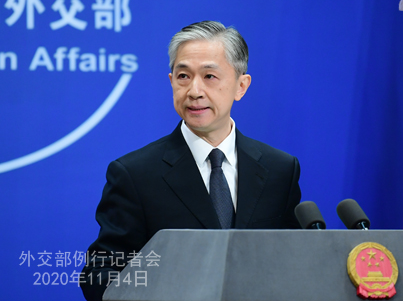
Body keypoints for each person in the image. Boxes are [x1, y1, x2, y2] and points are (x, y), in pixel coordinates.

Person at [81, 21, 302, 301]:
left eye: (209, 76)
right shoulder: (135, 174)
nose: (194, 91)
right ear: (171, 81)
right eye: (183, 76)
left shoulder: (279, 170)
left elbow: (295, 264)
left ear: (241, 85)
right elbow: (100, 274)